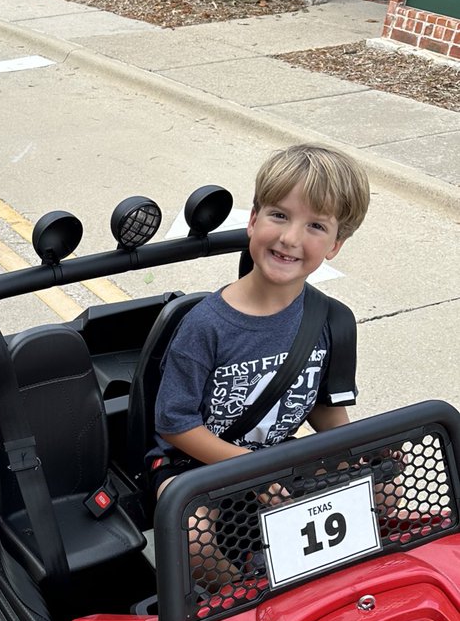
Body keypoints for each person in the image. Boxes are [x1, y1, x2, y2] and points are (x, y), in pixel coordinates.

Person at [150, 143, 371, 588]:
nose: (290, 238)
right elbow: (175, 425)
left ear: (335, 245)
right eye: (279, 215)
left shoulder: (332, 321)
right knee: (196, 540)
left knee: (380, 488)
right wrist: (255, 472)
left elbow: (324, 409)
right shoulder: (205, 326)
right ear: (253, 220)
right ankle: (243, 597)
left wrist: (359, 458)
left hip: (278, 454)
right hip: (193, 461)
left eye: (315, 225)